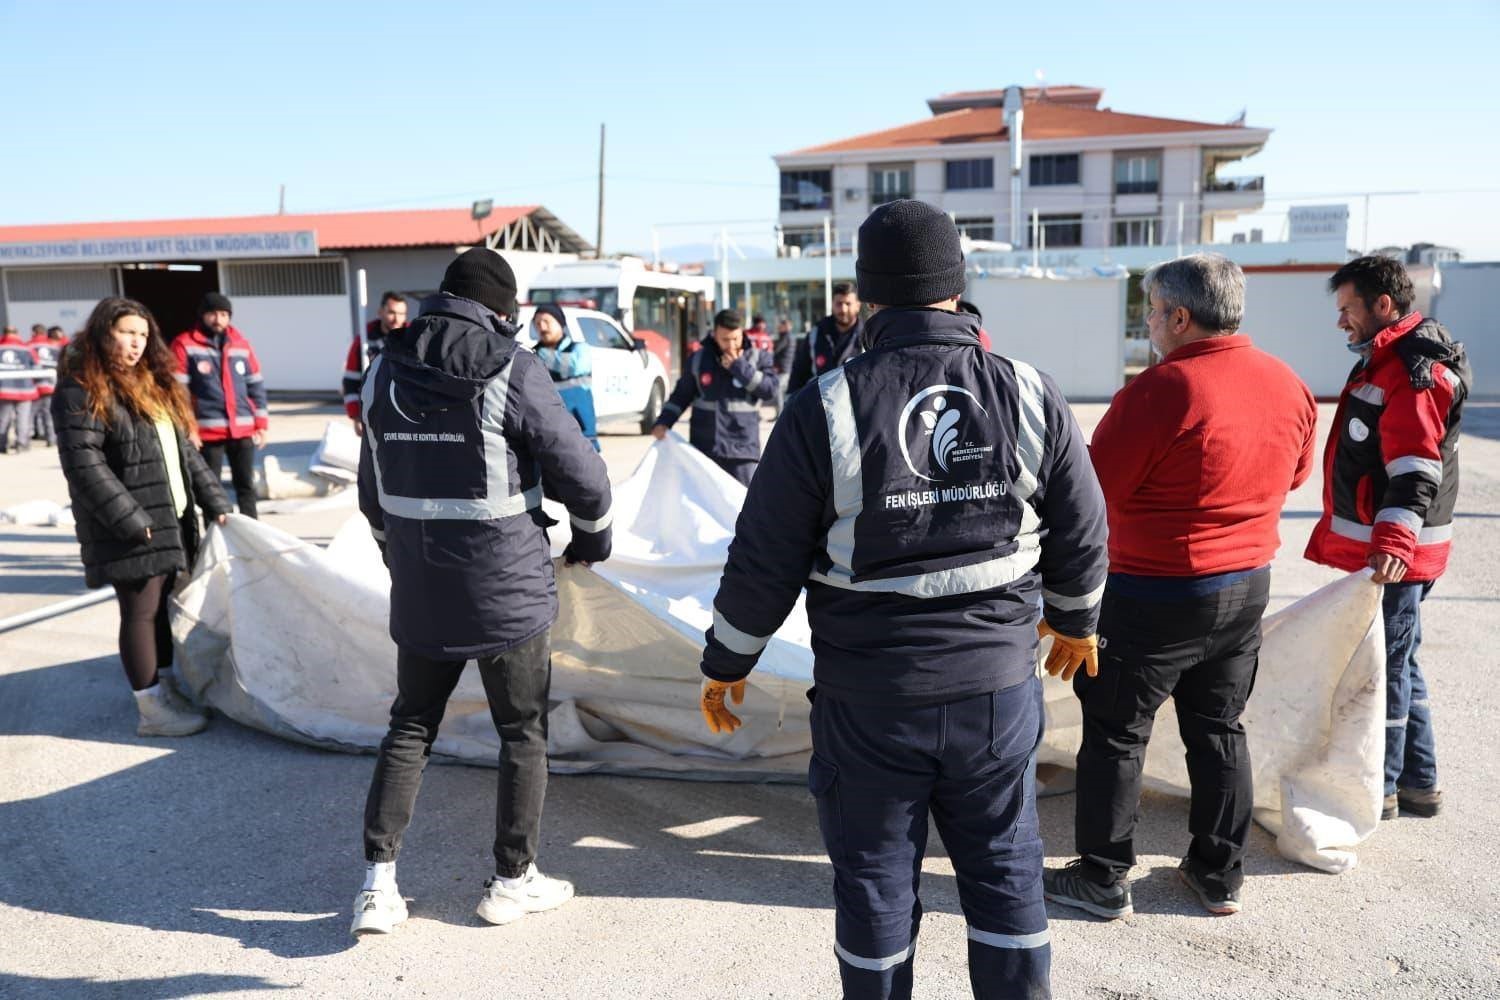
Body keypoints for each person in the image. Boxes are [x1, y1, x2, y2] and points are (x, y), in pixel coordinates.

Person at [696, 200, 1108, 999]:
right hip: (996, 693)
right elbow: (1083, 525)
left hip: (871, 704)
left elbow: (763, 561)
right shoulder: (1029, 391)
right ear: (958, 287)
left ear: (868, 295)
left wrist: (727, 661)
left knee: (878, 887)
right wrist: (1077, 617)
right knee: (1003, 873)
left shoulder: (825, 405)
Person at [1042, 254, 1318, 920]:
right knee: (1219, 728)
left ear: (1180, 316)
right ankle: (1218, 874)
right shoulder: (1288, 383)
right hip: (1246, 585)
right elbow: (1296, 476)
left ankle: (1104, 876)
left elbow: (1090, 497)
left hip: (1155, 591)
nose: (1149, 322)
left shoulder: (1163, 390)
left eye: (1152, 310)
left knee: (1115, 731)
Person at [351, 249, 613, 937]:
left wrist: (396, 555)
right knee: (523, 731)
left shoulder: (384, 365)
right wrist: (592, 541)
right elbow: (583, 475)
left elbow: (371, 489)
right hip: (506, 591)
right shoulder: (512, 366)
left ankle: (377, 886)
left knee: (410, 725)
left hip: (421, 585)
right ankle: (512, 880)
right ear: (504, 309)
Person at [1304, 255, 1469, 821]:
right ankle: (1421, 783)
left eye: (1348, 308)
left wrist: (1393, 544)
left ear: (1383, 305)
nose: (1340, 321)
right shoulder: (1389, 357)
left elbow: (1415, 468)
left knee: (1386, 668)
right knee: (1403, 660)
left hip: (1400, 555)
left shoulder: (1410, 370)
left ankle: (1386, 788)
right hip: (1402, 550)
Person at [53, 298, 231, 736]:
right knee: (139, 611)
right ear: (102, 333)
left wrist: (216, 503)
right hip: (129, 523)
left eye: (142, 334)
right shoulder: (81, 387)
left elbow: (183, 453)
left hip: (169, 516)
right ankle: (151, 710)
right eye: (125, 333)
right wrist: (130, 520)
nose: (135, 343)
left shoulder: (149, 383)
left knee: (160, 610)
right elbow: (84, 464)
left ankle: (163, 687)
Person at [650, 309, 776, 487]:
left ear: (742, 333)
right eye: (725, 339)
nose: (731, 345)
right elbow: (680, 396)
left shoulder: (757, 358)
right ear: (714, 334)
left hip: (742, 452)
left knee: (743, 507)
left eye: (735, 338)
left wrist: (739, 367)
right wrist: (663, 422)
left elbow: (769, 390)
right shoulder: (699, 360)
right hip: (705, 449)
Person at [171, 293, 269, 519]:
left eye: (224, 314)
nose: (218, 319)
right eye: (213, 314)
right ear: (202, 316)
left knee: (246, 486)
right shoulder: (184, 344)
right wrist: (189, 428)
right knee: (210, 491)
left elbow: (256, 385)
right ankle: (216, 536)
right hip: (206, 433)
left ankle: (250, 534)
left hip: (242, 429)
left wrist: (261, 423)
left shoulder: (241, 344)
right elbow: (178, 394)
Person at [531, 303, 598, 450]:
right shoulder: (531, 356)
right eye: (537, 323)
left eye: (546, 321)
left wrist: (544, 356)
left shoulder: (580, 349)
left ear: (560, 323)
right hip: (548, 434)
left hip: (581, 433)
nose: (542, 327)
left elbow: (576, 366)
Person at [344, 291, 408, 433]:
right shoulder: (363, 340)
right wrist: (356, 416)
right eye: (391, 312)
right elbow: (350, 379)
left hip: (405, 413)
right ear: (380, 312)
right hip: (373, 413)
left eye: (402, 313)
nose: (397, 319)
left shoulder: (412, 339)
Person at [787, 281, 863, 394]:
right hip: (818, 406)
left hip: (856, 407)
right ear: (832, 304)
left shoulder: (869, 336)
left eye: (848, 303)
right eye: (839, 303)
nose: (843, 309)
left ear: (858, 305)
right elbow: (799, 373)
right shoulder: (816, 334)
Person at [0, 324, 39, 453]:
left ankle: (2, 445)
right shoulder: (26, 348)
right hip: (25, 390)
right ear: (17, 334)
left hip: (4, 390)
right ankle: (21, 445)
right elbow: (36, 366)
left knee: (3, 419)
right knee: (23, 418)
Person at [29, 323, 62, 446]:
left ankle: (26, 440)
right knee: (48, 414)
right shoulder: (54, 347)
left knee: (30, 416)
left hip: (34, 387)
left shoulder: (29, 346)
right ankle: (51, 439)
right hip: (51, 386)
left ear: (33, 333)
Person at [771, 316, 798, 416]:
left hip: (783, 368)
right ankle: (782, 414)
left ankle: (780, 414)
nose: (779, 327)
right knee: (783, 392)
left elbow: (776, 349)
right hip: (786, 368)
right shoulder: (789, 336)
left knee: (778, 392)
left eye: (781, 325)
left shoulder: (786, 337)